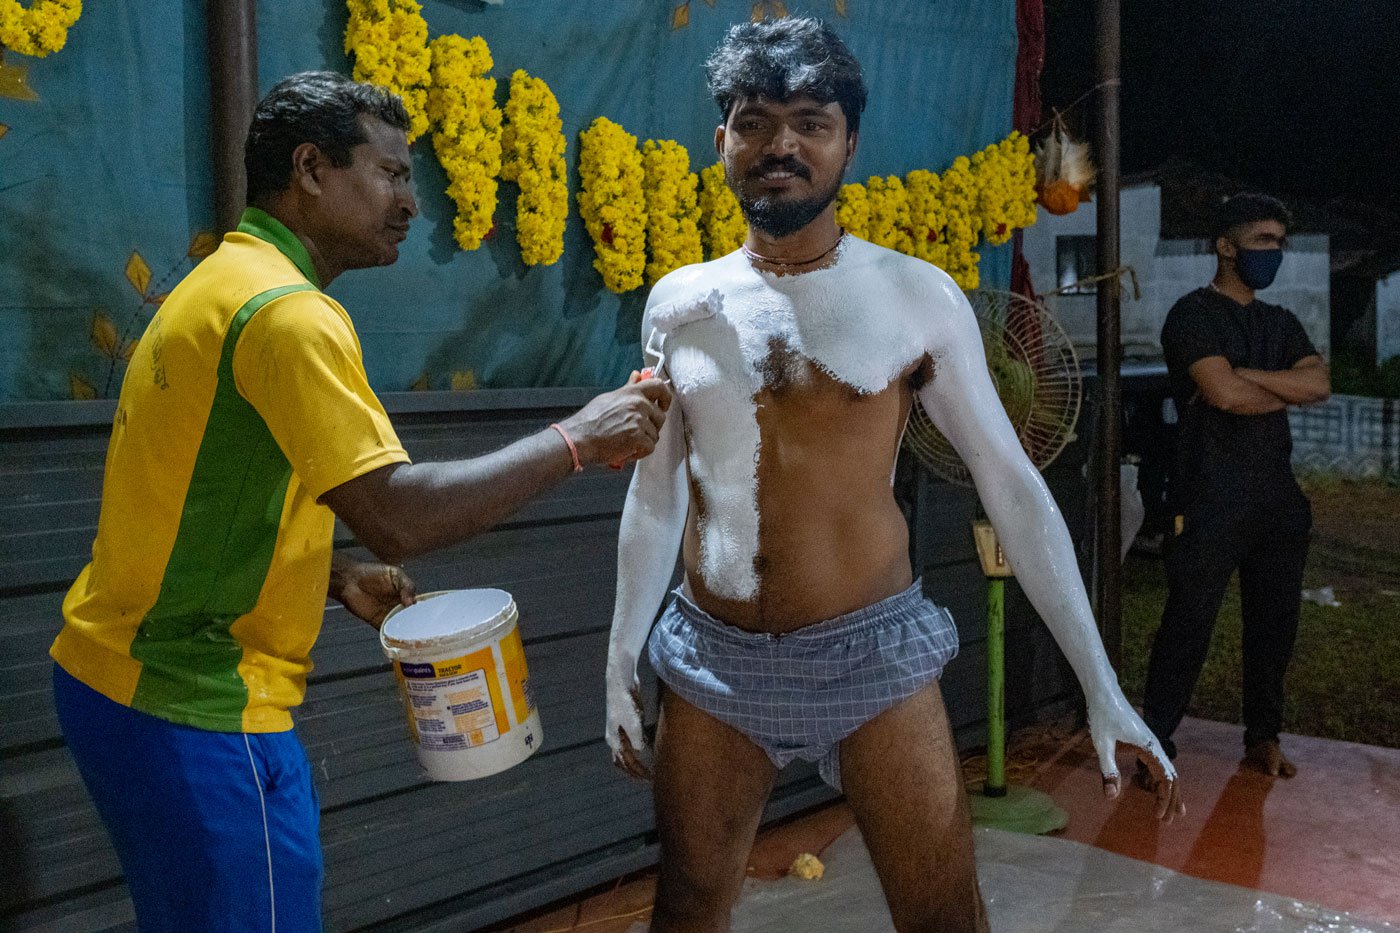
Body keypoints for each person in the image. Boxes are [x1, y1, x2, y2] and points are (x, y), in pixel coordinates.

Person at [48, 72, 671, 932]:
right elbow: (399, 514)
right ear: (310, 168)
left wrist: (326, 572)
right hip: (193, 704)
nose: (412, 202)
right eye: (390, 174)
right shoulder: (287, 316)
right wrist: (579, 438)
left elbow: (192, 485)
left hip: (114, 678)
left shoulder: (218, 281)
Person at [603, 18, 1182, 932]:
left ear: (849, 144)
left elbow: (1012, 485)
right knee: (686, 912)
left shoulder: (915, 295)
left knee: (944, 917)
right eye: (754, 121)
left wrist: (1101, 685)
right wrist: (617, 657)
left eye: (810, 121)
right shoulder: (680, 300)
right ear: (721, 142)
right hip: (711, 661)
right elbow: (658, 490)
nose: (781, 144)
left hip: (871, 656)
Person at [1141, 192, 1330, 785]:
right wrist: (1270, 387)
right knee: (1188, 623)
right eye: (1262, 241)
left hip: (1278, 500)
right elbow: (1223, 396)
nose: (1274, 252)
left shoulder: (1280, 322)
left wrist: (1243, 375)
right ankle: (1156, 742)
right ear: (1226, 245)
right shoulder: (1191, 315)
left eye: (1280, 242)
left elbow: (1320, 383)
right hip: (1209, 495)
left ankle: (1263, 739)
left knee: (1274, 628)